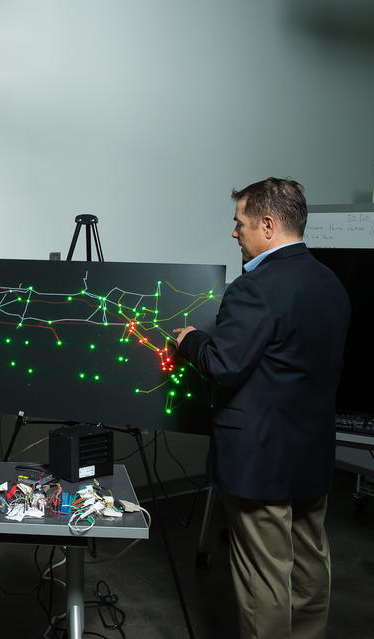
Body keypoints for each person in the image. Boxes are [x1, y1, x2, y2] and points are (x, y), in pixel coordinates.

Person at [173, 178, 350, 639]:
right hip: (311, 451)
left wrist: (191, 340)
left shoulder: (256, 288)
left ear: (268, 225)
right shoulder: (330, 282)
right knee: (310, 562)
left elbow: (224, 366)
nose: (235, 234)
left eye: (240, 224)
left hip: (260, 460)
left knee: (263, 575)